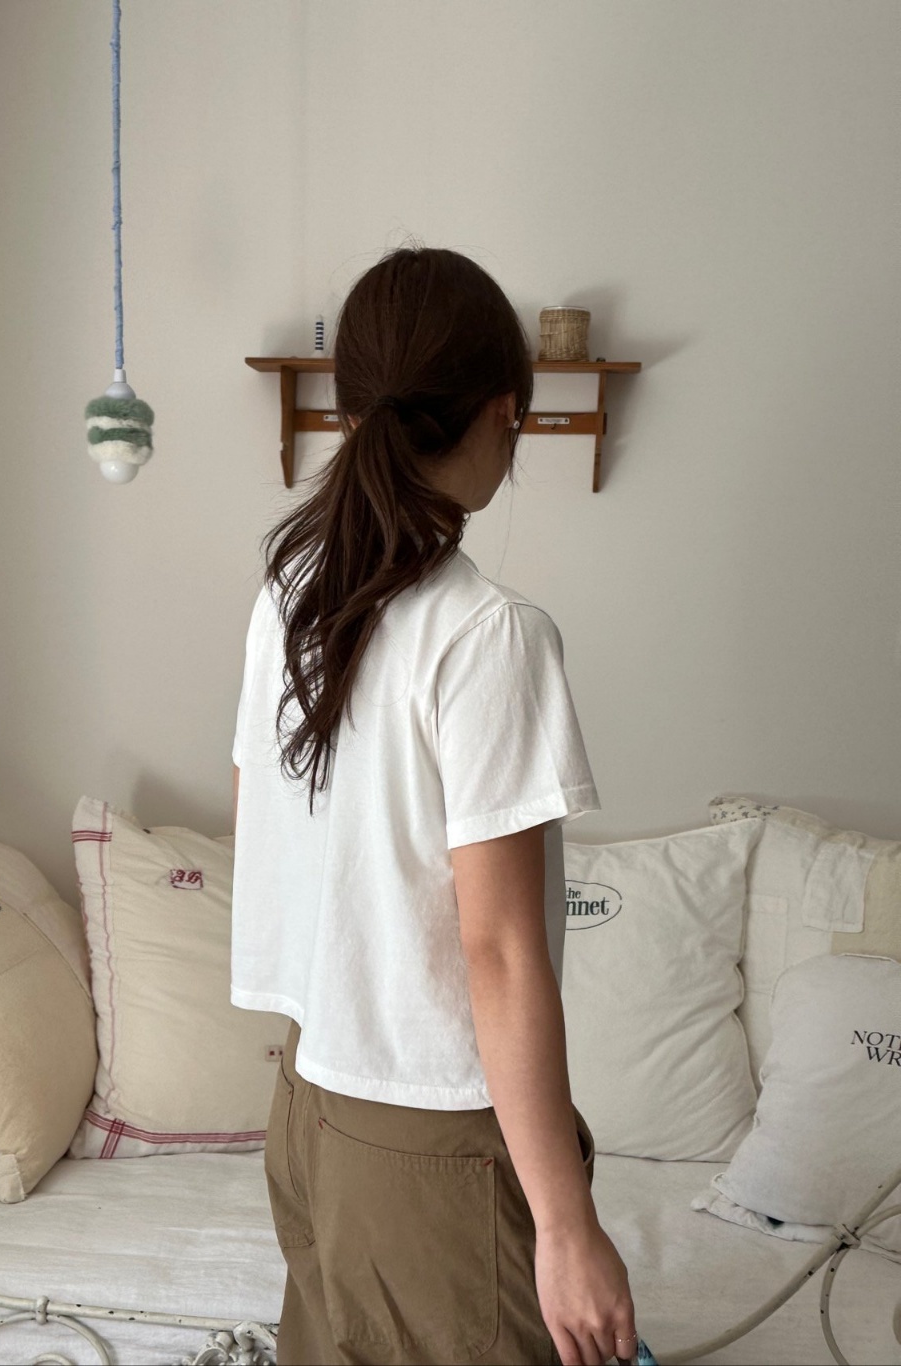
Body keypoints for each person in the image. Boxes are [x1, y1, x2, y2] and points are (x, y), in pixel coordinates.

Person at [230, 244, 638, 1366]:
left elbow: (258, 814)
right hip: (431, 1137)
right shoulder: (490, 635)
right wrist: (566, 1228)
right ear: (504, 411)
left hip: (308, 1100)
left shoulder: (291, 594)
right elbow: (496, 951)